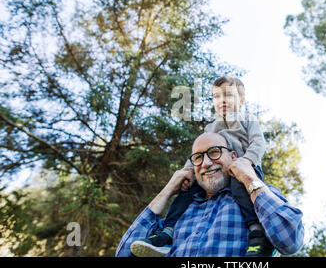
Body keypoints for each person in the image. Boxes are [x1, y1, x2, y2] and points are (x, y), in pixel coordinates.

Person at [130, 76, 273, 257]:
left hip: (243, 169)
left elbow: (258, 143)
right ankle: (167, 233)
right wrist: (187, 172)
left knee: (241, 190)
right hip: (216, 171)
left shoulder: (247, 119)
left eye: (228, 95)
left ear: (241, 100)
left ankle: (257, 233)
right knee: (186, 193)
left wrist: (248, 161)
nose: (222, 100)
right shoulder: (211, 128)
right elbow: (199, 153)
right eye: (216, 97)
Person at [115, 132, 304, 257]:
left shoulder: (256, 196)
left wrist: (248, 177)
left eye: (214, 152)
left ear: (232, 157)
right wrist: (169, 189)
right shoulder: (180, 212)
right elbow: (125, 253)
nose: (205, 163)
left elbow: (290, 240)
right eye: (198, 157)